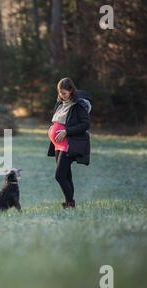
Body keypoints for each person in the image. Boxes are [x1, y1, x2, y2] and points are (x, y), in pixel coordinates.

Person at [47, 77, 91, 209]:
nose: (62, 96)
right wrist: (51, 129)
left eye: (65, 93)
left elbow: (85, 124)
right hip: (57, 145)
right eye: (60, 93)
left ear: (71, 91)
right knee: (66, 175)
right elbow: (57, 121)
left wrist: (67, 131)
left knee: (59, 176)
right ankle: (70, 203)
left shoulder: (78, 106)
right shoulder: (59, 103)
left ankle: (70, 203)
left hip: (68, 144)